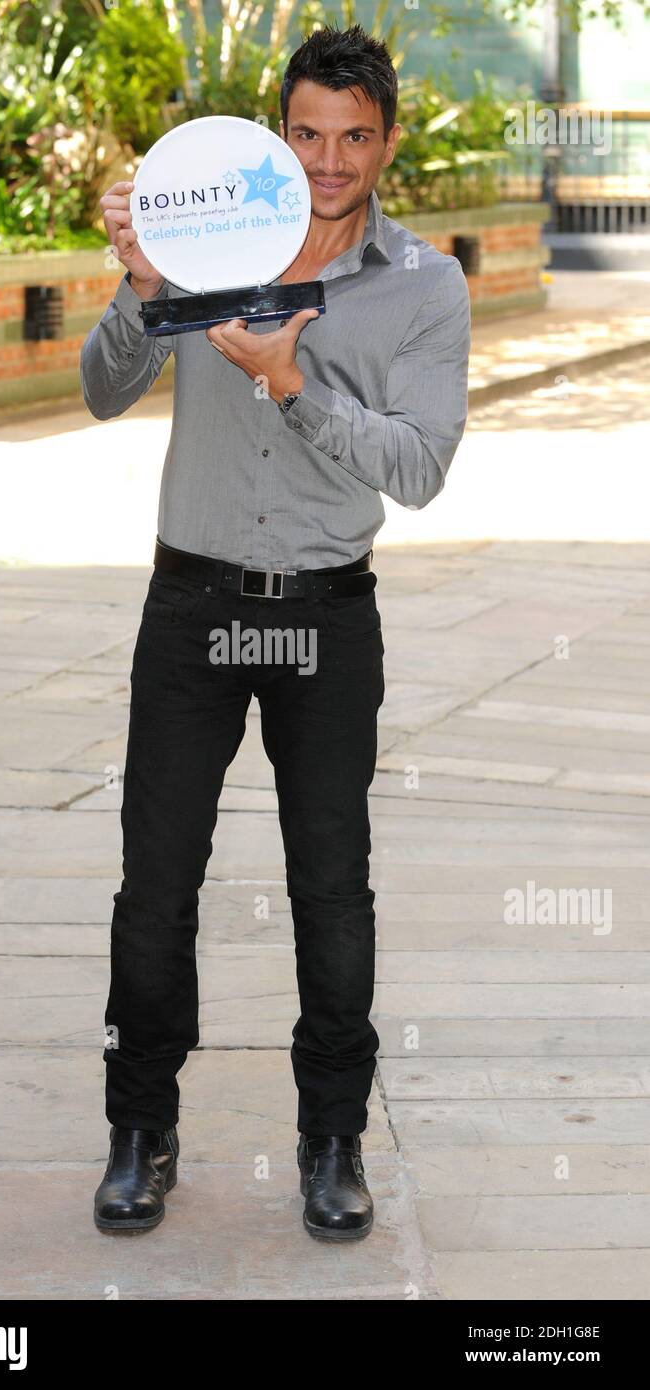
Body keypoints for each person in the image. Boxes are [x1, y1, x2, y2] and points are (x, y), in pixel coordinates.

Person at [81, 22, 470, 1241]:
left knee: (331, 893)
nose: (328, 159)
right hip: (191, 605)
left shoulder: (425, 284)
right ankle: (141, 1132)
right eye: (306, 133)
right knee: (155, 890)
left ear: (388, 141)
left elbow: (419, 469)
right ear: (275, 131)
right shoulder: (204, 239)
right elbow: (101, 387)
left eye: (355, 137)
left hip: (322, 619)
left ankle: (333, 1142)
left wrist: (297, 387)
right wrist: (146, 290)